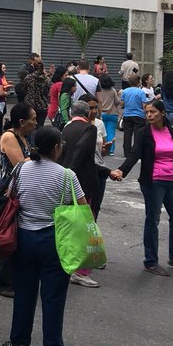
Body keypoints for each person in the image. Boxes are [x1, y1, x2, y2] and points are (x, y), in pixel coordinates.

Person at [1, 125, 87, 346]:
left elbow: (10, 195)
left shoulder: (20, 169)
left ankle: (18, 343)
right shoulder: (67, 175)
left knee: (24, 293)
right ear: (57, 147)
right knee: (53, 296)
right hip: (55, 240)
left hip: (23, 238)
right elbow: (83, 208)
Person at [111, 100, 173, 276]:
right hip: (153, 182)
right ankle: (151, 261)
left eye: (153, 112)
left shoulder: (171, 131)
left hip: (171, 182)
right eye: (147, 112)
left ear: (162, 113)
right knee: (152, 220)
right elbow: (134, 154)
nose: (149, 115)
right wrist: (121, 170)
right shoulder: (144, 132)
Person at [0, 104, 40, 297]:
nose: (36, 122)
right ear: (22, 122)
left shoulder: (25, 136)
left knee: (18, 236)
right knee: (7, 236)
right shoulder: (9, 136)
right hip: (8, 193)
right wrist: (39, 156)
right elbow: (20, 165)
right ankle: (2, 282)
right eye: (33, 119)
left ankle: (13, 278)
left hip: (22, 192)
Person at [61, 101, 104, 288]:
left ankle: (67, 263)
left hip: (64, 179)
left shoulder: (66, 129)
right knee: (85, 225)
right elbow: (82, 154)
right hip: (83, 182)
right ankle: (80, 271)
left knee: (68, 225)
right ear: (87, 114)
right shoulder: (90, 129)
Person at [118, 74, 148, 162]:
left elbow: (122, 104)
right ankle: (137, 151)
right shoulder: (141, 92)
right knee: (138, 134)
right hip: (139, 115)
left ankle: (127, 152)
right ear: (139, 82)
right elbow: (144, 105)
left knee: (127, 134)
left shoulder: (125, 91)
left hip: (127, 114)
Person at [19, 54, 51, 122]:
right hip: (42, 106)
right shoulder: (47, 79)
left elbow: (24, 89)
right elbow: (47, 91)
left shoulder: (28, 78)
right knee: (40, 127)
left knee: (29, 128)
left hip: (30, 106)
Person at [96, 74, 122, 156]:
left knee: (102, 132)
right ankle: (111, 149)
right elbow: (117, 102)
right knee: (111, 132)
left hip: (101, 113)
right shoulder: (113, 90)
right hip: (112, 113)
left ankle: (103, 147)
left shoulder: (99, 91)